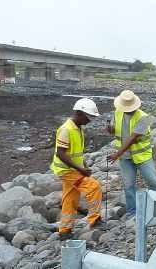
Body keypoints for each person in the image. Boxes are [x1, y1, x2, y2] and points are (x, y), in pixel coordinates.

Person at [107, 90, 156, 216]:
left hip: (142, 156)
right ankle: (132, 210)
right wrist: (110, 129)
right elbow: (116, 132)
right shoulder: (117, 113)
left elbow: (132, 138)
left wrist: (116, 155)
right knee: (128, 184)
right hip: (125, 157)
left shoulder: (145, 118)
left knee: (153, 180)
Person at [51, 98, 104, 239]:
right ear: (79, 113)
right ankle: (95, 219)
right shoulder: (66, 129)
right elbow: (60, 153)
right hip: (67, 171)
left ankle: (65, 230)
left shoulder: (77, 128)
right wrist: (80, 170)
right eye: (88, 117)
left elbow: (76, 153)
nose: (90, 121)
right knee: (94, 187)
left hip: (72, 169)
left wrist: (84, 165)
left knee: (70, 198)